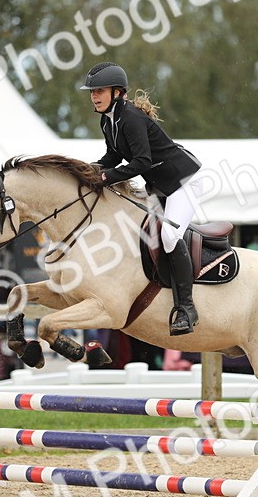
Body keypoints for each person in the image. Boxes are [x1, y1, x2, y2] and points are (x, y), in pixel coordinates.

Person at [81, 61, 205, 336]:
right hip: (161, 186)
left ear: (117, 92)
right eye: (92, 92)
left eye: (99, 90)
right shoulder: (108, 120)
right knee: (146, 235)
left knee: (170, 237)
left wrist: (106, 177)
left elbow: (141, 162)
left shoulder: (131, 118)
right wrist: (89, 170)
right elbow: (113, 156)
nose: (94, 96)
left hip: (184, 182)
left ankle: (186, 308)